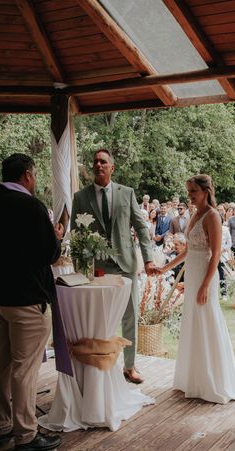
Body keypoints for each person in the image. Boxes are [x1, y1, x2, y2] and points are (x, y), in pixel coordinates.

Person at [0, 153, 64, 451]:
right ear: (27, 175)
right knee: (24, 369)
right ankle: (26, 434)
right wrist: (56, 236)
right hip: (25, 300)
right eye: (35, 174)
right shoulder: (31, 207)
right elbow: (50, 255)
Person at [158, 175, 235, 403]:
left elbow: (216, 254)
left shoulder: (212, 215)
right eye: (188, 192)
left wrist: (206, 284)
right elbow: (189, 250)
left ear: (206, 191)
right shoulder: (195, 214)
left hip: (206, 276)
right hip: (194, 272)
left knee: (207, 319)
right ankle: (192, 378)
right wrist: (164, 268)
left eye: (194, 192)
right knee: (192, 321)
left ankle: (213, 379)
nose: (190, 197)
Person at [71, 148, 157, 384]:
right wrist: (80, 270)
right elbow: (76, 234)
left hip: (126, 264)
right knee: (101, 318)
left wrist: (148, 258)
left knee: (130, 315)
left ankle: (130, 367)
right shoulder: (81, 197)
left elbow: (140, 226)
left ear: (112, 167)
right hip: (98, 267)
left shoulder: (126, 193)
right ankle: (102, 364)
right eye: (95, 162)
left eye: (103, 162)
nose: (98, 165)